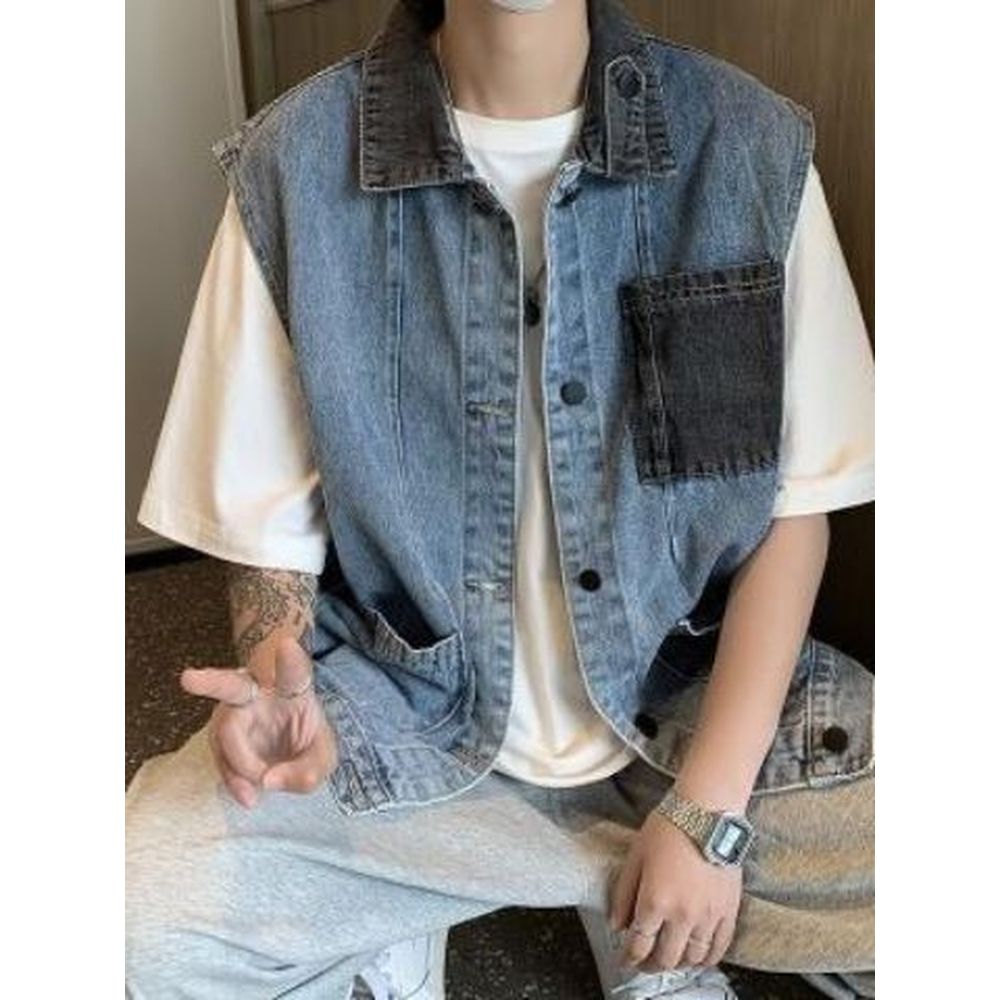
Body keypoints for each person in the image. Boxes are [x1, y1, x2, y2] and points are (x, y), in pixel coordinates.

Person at [126, 0, 875, 998]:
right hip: (407, 728)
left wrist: (706, 815)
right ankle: (567, 910)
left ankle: (623, 905)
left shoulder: (746, 145)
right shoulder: (292, 164)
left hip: (690, 716)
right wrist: (276, 679)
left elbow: (792, 509)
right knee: (129, 921)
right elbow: (270, 530)